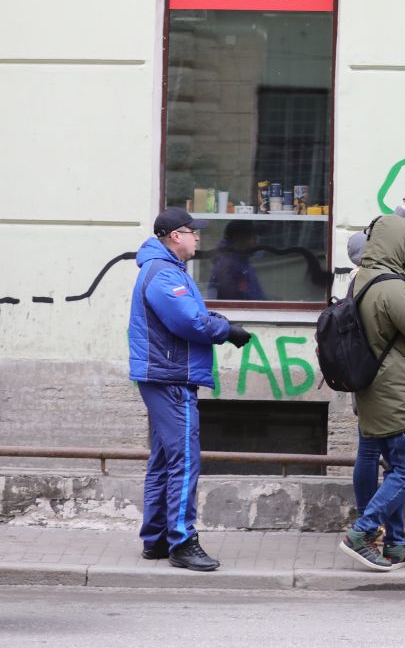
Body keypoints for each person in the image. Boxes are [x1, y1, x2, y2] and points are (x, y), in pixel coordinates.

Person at [129, 207, 252, 572]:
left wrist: (216, 322)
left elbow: (189, 315)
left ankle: (156, 539)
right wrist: (225, 330)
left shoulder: (166, 269)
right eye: (192, 231)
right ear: (175, 236)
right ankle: (182, 541)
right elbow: (188, 321)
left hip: (164, 374)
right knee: (183, 460)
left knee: (164, 460)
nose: (198, 236)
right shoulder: (165, 273)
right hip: (172, 377)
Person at [337, 213, 405, 572]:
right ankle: (362, 532)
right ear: (399, 244)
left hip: (376, 390)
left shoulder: (364, 278)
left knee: (396, 468)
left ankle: (396, 544)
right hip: (398, 395)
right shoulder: (391, 286)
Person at [206, 220, 266, 301]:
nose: (255, 243)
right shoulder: (229, 264)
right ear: (238, 239)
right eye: (253, 238)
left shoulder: (241, 259)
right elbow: (233, 301)